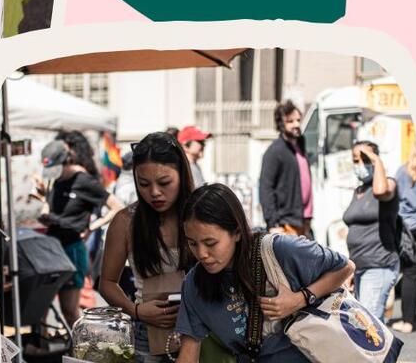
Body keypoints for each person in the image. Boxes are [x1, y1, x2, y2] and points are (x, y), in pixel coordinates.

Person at [175, 184, 354, 362]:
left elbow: (345, 267)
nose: (201, 254)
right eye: (192, 243)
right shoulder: (194, 284)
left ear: (237, 232)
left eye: (210, 243)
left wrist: (301, 298)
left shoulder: (279, 250)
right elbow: (189, 350)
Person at [99, 132, 196, 362]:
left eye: (164, 183)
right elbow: (107, 283)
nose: (154, 192)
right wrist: (136, 311)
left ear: (182, 175)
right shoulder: (126, 221)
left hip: (200, 328)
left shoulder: (200, 213)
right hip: (148, 332)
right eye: (143, 183)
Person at [33, 139, 123, 327]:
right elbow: (52, 207)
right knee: (39, 308)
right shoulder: (54, 180)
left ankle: (83, 353)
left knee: (70, 311)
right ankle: (44, 347)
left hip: (72, 250)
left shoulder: (84, 181)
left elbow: (117, 207)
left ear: (67, 161)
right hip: (52, 249)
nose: (54, 176)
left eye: (57, 169)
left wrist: (92, 227)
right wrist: (44, 206)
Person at [343, 141, 399, 323]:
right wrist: (350, 268)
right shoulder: (358, 190)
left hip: (378, 265)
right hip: (360, 267)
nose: (359, 165)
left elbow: (380, 191)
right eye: (355, 160)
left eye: (364, 159)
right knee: (365, 327)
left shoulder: (389, 183)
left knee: (368, 327)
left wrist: (376, 160)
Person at [258, 100, 313, 238]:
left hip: (304, 221)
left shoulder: (301, 144)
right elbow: (266, 188)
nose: (296, 125)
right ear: (281, 124)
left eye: (298, 120)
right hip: (286, 223)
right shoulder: (275, 151)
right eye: (290, 121)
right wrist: (272, 224)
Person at [393, 150, 416, 333]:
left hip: (410, 230)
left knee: (411, 274)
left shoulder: (402, 172)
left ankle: (408, 322)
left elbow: (394, 200)